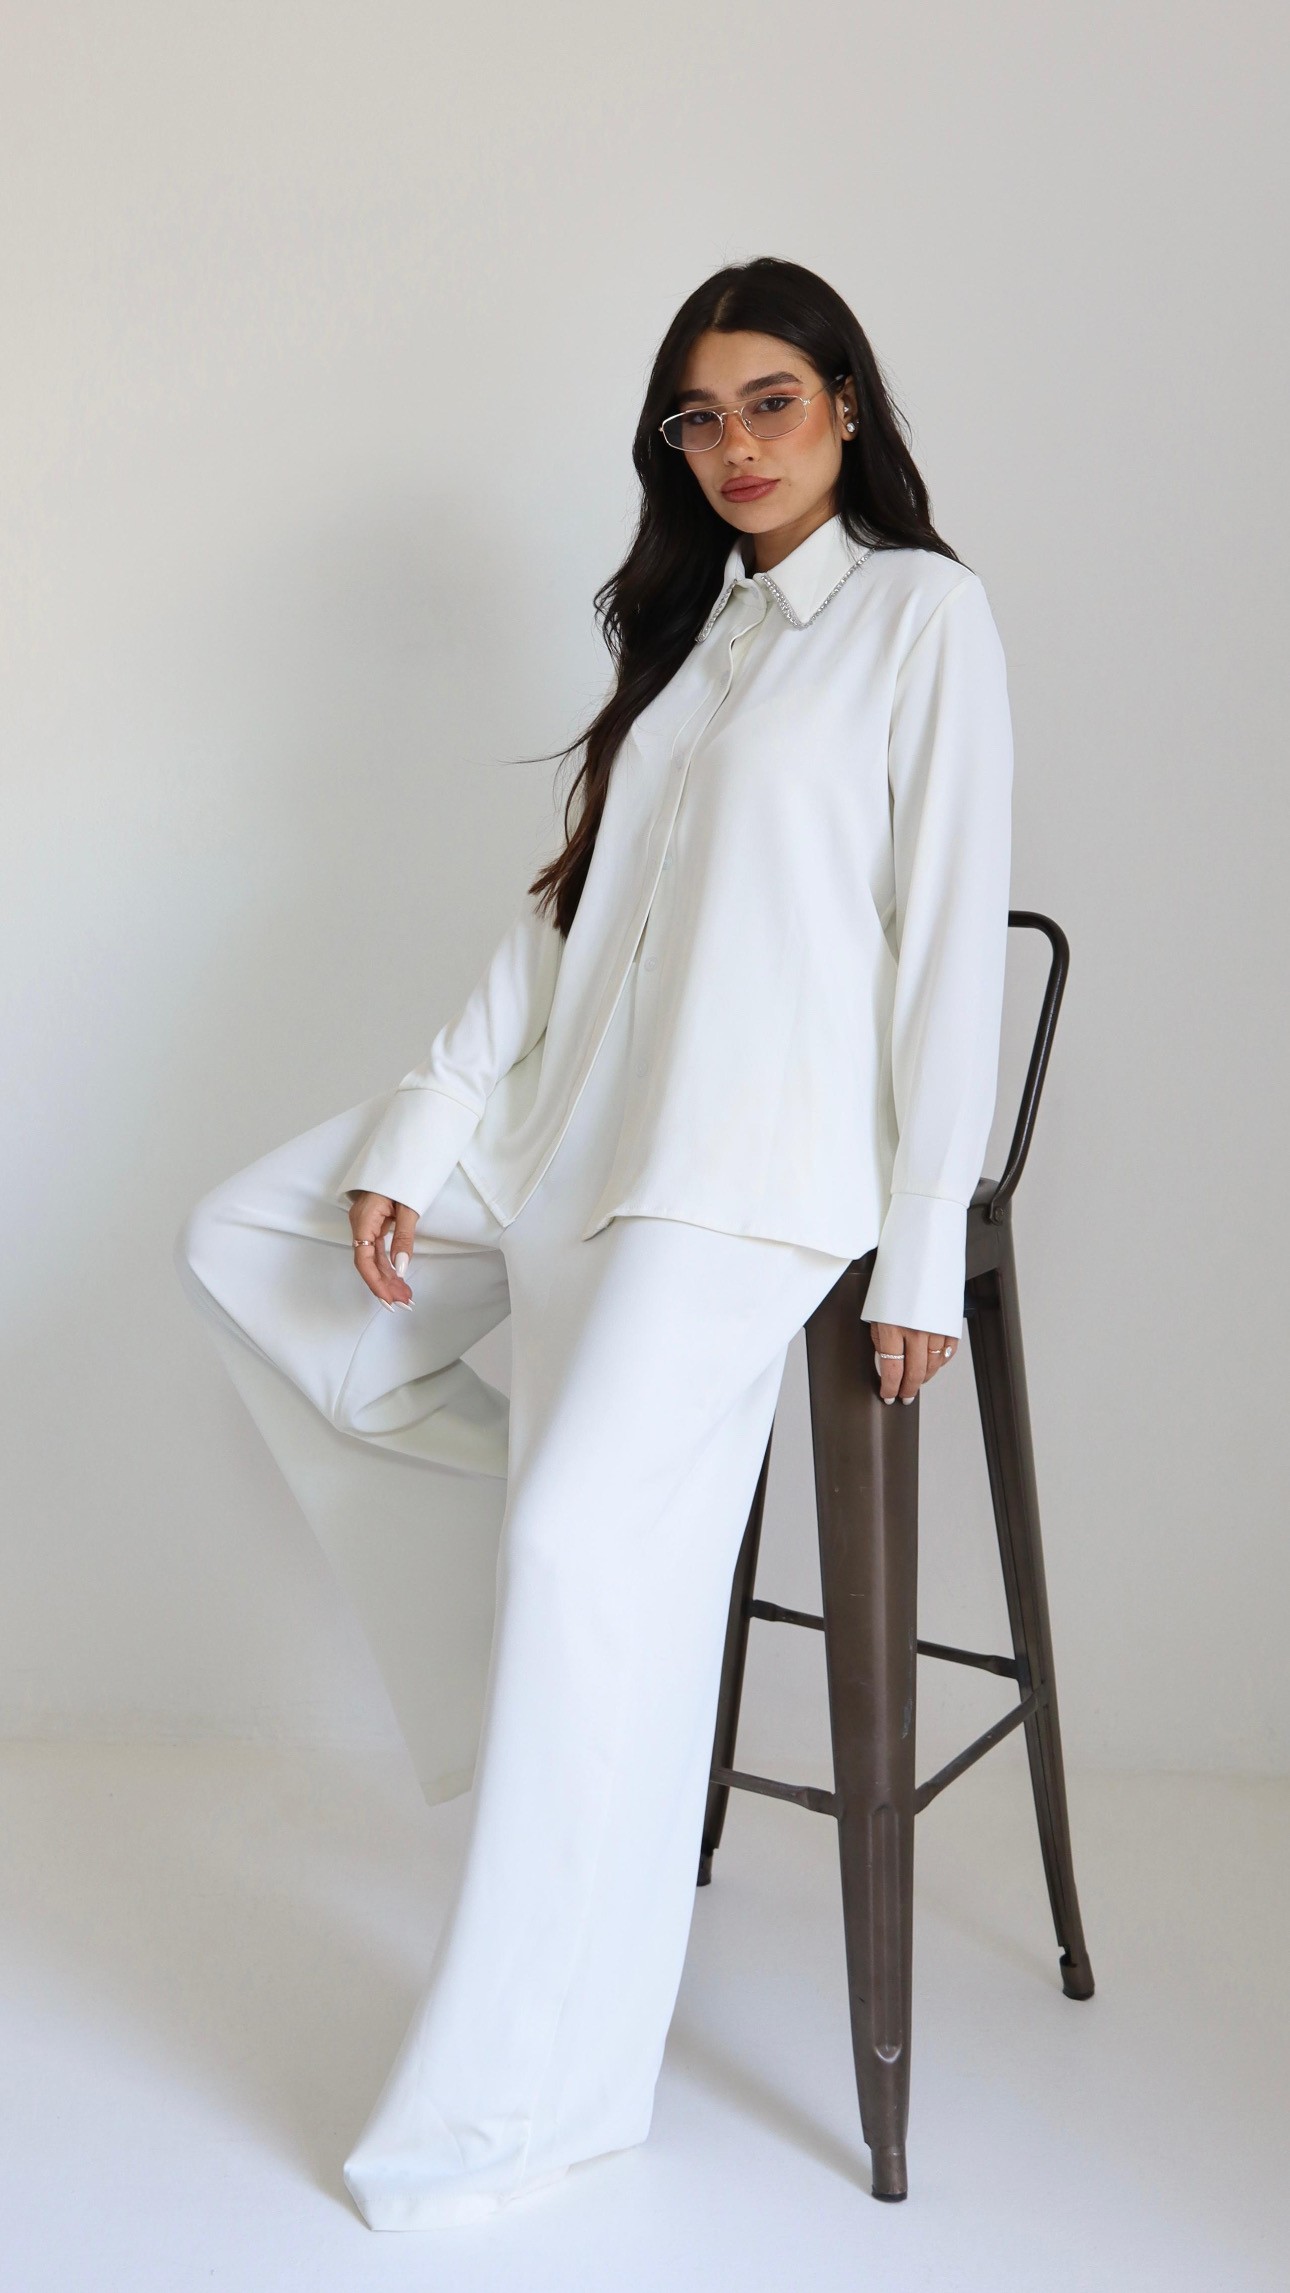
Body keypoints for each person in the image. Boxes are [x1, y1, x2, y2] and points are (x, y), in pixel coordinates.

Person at [176, 255, 1013, 2230]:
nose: (734, 446)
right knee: (248, 1240)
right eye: (697, 419)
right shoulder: (690, 647)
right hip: (575, 1140)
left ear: (845, 405)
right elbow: (553, 927)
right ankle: (562, 1552)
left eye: (769, 403)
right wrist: (420, 1129)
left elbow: (947, 937)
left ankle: (525, 2101)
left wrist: (917, 1245)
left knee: (574, 1547)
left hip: (746, 1176)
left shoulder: (921, 617)